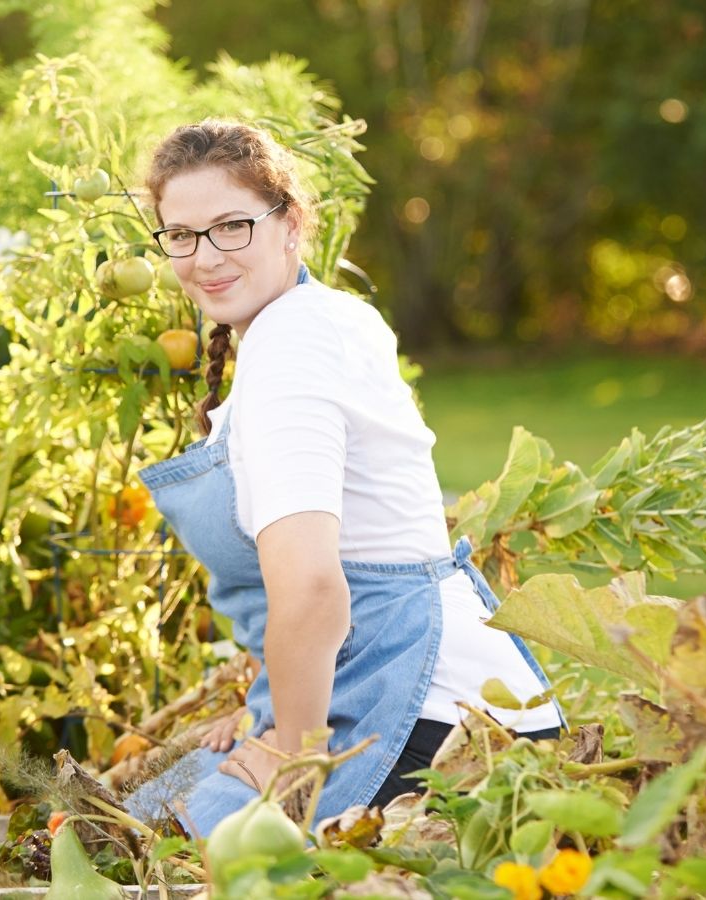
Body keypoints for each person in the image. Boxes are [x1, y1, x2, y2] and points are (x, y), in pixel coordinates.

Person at [123, 120, 563, 837]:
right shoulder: (307, 324)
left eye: (232, 226)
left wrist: (290, 753)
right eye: (182, 235)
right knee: (131, 809)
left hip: (432, 720)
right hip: (397, 692)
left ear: (290, 223)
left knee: (133, 842)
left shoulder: (295, 342)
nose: (205, 257)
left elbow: (315, 586)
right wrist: (265, 706)